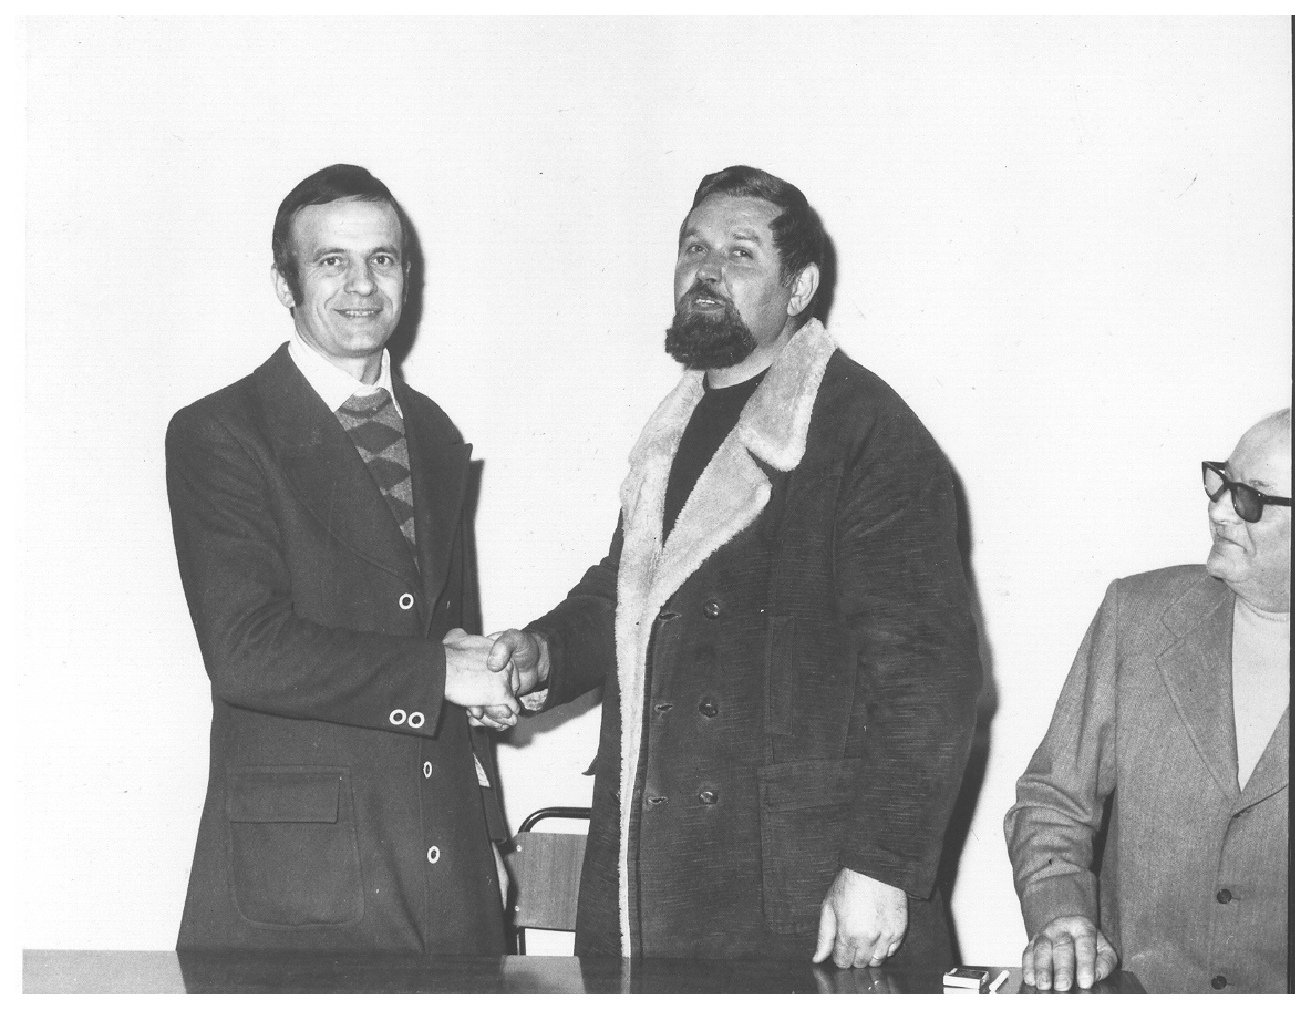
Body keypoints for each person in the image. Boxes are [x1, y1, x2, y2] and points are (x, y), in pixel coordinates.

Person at [472, 166, 982, 969]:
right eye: (694, 249)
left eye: (740, 253)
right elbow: (626, 596)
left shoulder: (866, 429)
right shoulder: (670, 430)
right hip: (653, 881)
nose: (706, 271)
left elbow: (931, 675)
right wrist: (542, 653)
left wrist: (883, 863)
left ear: (799, 287)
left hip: (797, 889)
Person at [165, 164, 518, 952]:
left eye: (382, 259)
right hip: (301, 885)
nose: (362, 285)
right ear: (284, 283)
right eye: (332, 261)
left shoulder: (434, 431)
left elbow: (447, 636)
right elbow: (247, 653)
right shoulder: (221, 431)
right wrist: (441, 674)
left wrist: (487, 831)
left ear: (406, 275)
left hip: (449, 879)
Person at [1004, 409, 1291, 994]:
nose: (1218, 510)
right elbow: (1052, 802)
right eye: (1221, 482)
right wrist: (1062, 915)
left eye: (1250, 498)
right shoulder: (1137, 617)